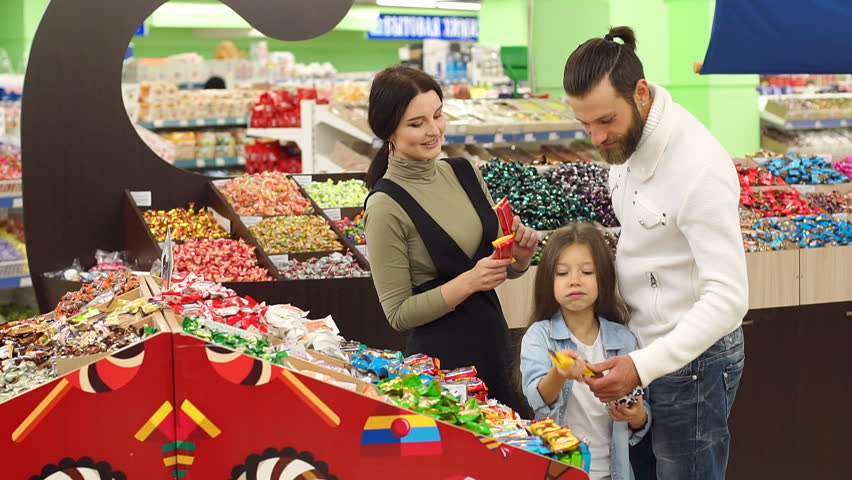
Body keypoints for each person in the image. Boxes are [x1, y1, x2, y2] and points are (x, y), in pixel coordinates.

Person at [562, 26, 748, 479]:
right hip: (641, 356)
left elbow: (728, 299)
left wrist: (641, 365)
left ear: (641, 93)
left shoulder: (699, 168)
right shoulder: (627, 148)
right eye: (584, 123)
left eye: (606, 120)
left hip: (693, 366)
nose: (597, 137)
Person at [362, 65, 538, 412]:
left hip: (496, 348)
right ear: (389, 131)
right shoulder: (385, 206)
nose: (433, 131)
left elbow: (499, 266)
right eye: (416, 123)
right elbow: (398, 313)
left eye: (438, 116)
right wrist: (469, 282)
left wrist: (518, 257)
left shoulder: (465, 171)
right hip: (441, 369)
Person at [520, 223, 650, 480]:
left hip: (615, 472)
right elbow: (537, 399)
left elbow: (642, 413)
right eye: (562, 273)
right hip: (560, 470)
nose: (575, 280)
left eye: (587, 271)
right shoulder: (540, 335)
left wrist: (637, 415)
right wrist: (560, 373)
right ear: (549, 280)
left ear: (603, 276)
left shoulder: (624, 339)